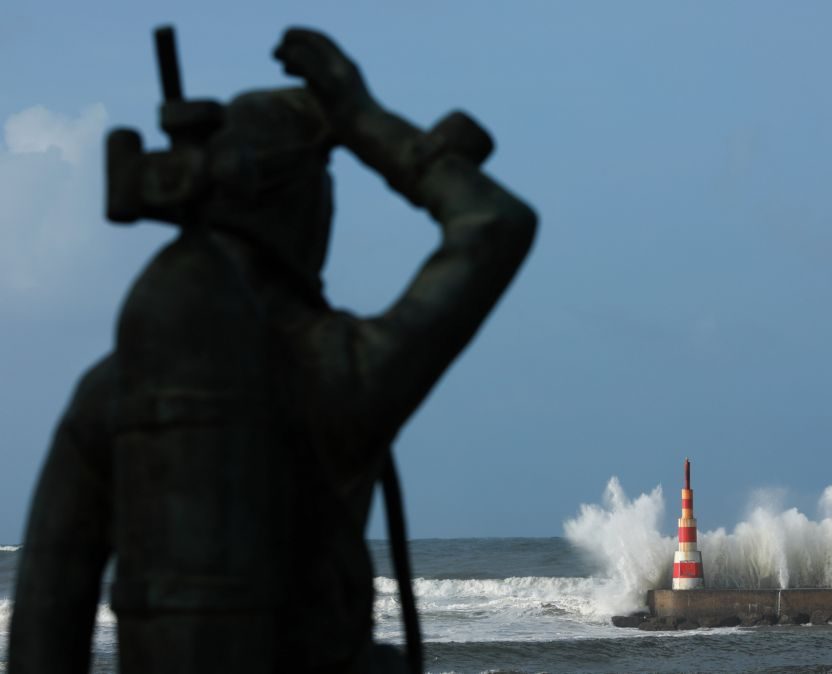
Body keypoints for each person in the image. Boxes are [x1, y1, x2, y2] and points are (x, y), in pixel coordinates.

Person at [10, 27, 536, 673]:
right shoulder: (339, 368)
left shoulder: (110, 392)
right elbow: (493, 223)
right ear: (301, 205)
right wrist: (364, 118)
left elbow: (41, 631)